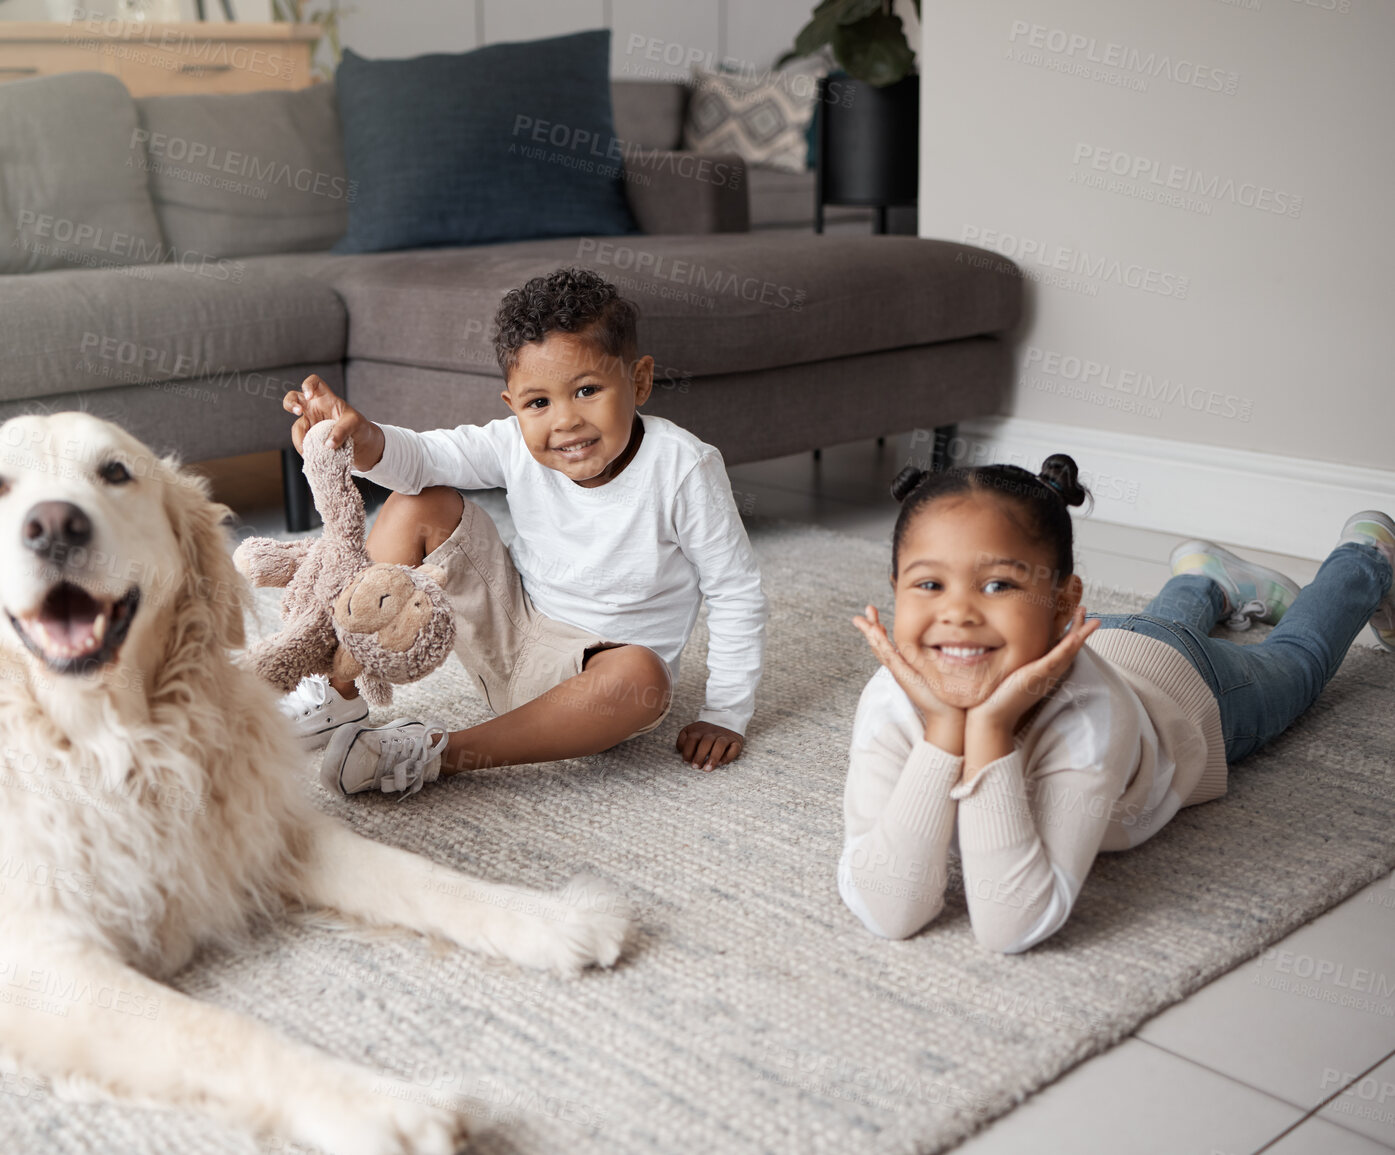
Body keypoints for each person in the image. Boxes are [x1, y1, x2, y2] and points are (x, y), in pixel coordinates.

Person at [839, 452, 1394, 952]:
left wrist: (986, 730)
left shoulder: (1090, 716)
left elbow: (1011, 923)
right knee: (1158, 626)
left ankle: (1366, 556)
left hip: (1186, 687)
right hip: (1104, 641)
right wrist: (940, 733)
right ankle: (1204, 581)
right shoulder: (890, 696)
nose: (957, 613)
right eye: (929, 585)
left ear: (1063, 603)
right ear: (894, 590)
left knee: (1297, 662)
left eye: (998, 586)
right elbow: (889, 909)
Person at [270, 268, 768, 797]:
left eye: (587, 390)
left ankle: (439, 751)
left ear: (639, 381)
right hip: (505, 629)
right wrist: (361, 437)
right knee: (420, 501)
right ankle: (339, 686)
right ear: (512, 405)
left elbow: (735, 591)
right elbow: (423, 458)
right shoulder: (513, 443)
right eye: (539, 403)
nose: (565, 421)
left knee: (643, 676)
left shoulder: (684, 468)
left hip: (591, 683)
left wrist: (726, 712)